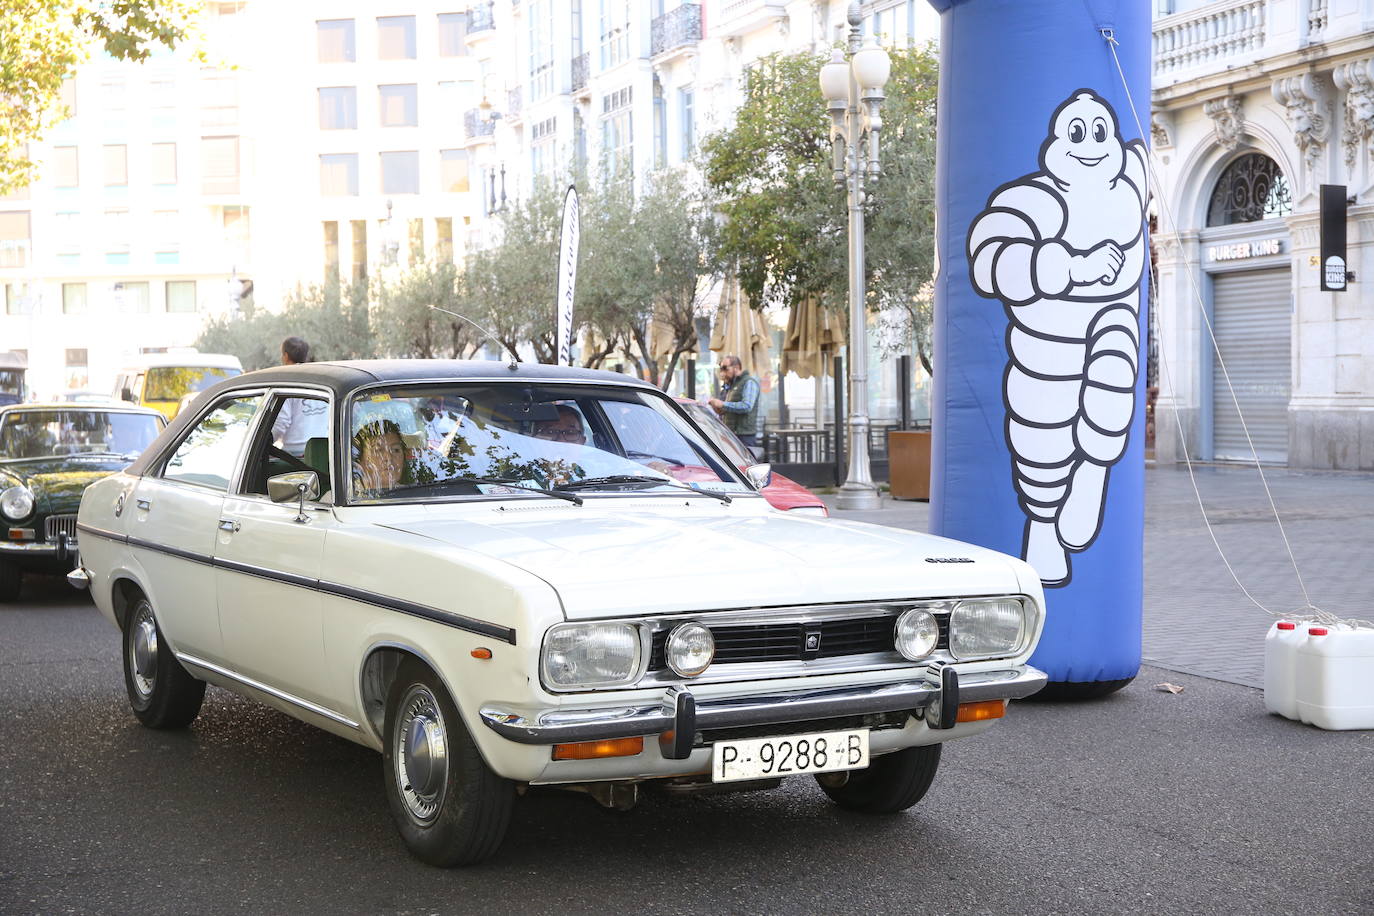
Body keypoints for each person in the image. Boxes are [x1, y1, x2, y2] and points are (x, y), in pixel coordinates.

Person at [272, 336, 328, 456]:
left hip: (295, 456)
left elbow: (281, 422)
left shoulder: (286, 380)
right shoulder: (321, 379)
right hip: (325, 451)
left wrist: (265, 443)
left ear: (286, 356)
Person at [709, 355, 761, 448]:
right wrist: (717, 407)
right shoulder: (730, 385)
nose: (722, 372)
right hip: (730, 434)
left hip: (744, 436)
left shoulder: (749, 382)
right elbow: (726, 409)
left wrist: (722, 404)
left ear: (736, 368)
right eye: (721, 368)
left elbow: (747, 406)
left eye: (725, 368)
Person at [353, 419, 411, 498]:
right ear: (360, 460)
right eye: (379, 451)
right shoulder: (343, 500)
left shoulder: (414, 496)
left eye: (396, 450)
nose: (389, 457)